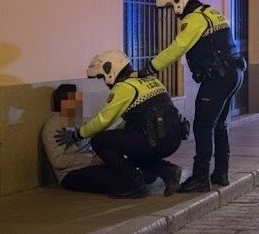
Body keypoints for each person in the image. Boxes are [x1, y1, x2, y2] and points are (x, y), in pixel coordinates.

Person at [140, 0, 246, 192]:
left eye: (172, 5)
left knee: (202, 126)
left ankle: (200, 177)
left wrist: (151, 67)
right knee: (219, 125)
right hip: (233, 74)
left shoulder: (195, 19)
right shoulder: (214, 13)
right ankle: (221, 173)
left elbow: (177, 47)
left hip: (217, 77)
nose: (174, 11)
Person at [54, 50, 185, 198]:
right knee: (130, 149)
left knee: (99, 141)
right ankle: (168, 171)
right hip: (173, 138)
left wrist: (76, 135)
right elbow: (135, 119)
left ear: (110, 69)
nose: (104, 81)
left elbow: (103, 119)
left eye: (102, 77)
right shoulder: (149, 79)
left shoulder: (124, 87)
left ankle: (136, 184)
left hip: (155, 140)